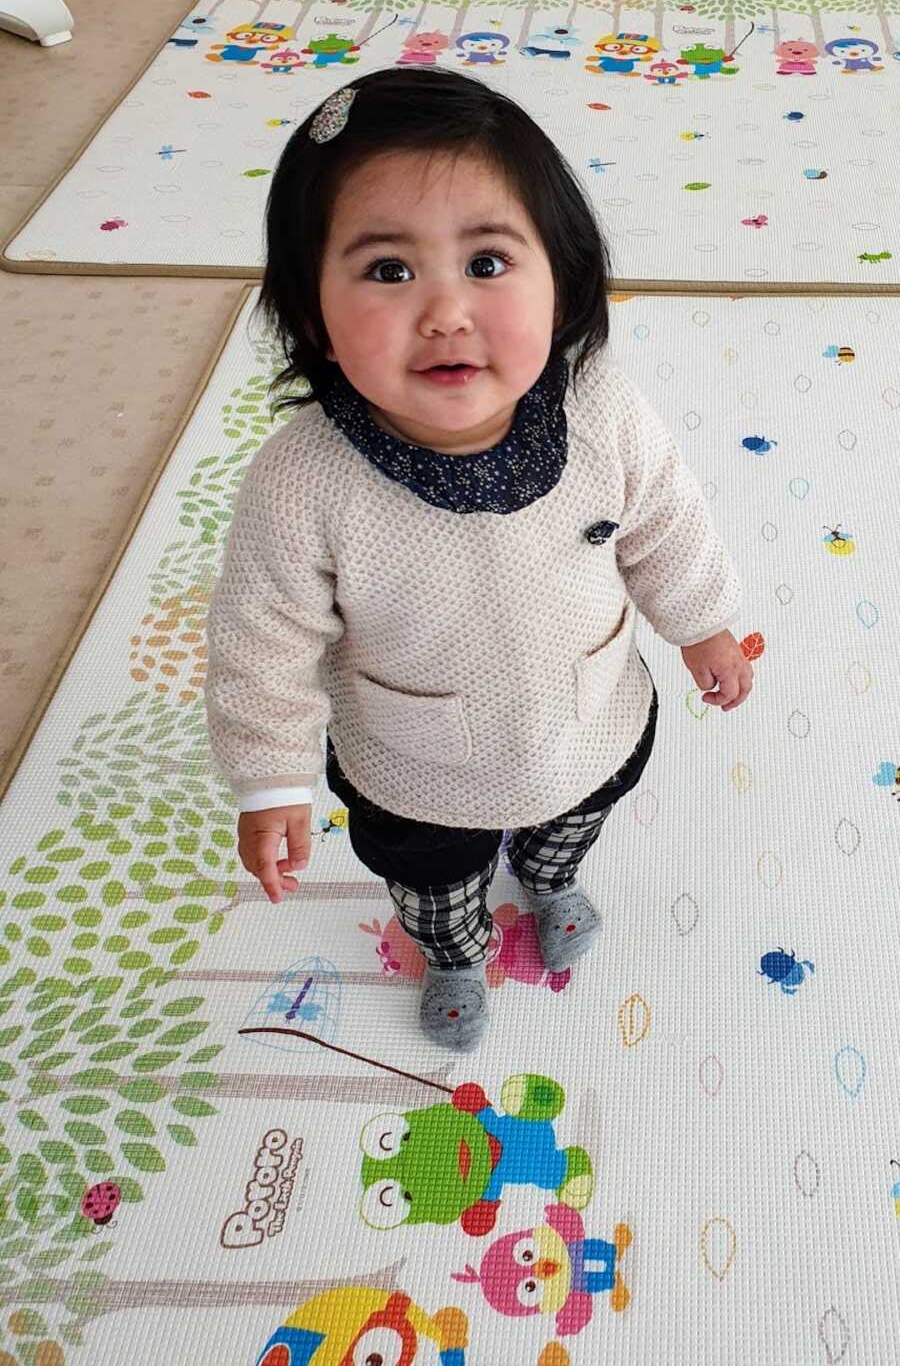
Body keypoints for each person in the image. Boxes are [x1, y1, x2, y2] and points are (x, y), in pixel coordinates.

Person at [204, 66, 752, 1054]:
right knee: (432, 879)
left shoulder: (600, 411)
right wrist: (270, 777)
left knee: (576, 818)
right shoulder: (302, 481)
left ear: (564, 276)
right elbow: (261, 640)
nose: (446, 311)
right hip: (415, 764)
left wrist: (702, 620)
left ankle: (550, 877)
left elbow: (668, 520)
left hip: (587, 715)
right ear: (310, 311)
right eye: (387, 270)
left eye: (489, 263)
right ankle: (454, 947)